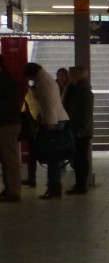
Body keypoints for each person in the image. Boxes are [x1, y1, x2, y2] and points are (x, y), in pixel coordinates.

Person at [24, 62, 69, 199]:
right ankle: (54, 186)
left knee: (52, 156)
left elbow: (49, 103)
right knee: (53, 156)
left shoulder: (44, 82)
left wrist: (50, 122)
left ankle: (54, 187)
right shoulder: (45, 79)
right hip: (56, 119)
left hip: (54, 121)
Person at [63, 66, 94, 195]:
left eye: (71, 74)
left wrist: (82, 129)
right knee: (77, 157)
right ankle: (79, 184)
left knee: (81, 158)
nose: (69, 77)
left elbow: (86, 112)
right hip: (75, 128)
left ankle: (82, 185)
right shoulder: (73, 88)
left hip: (81, 130)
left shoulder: (84, 90)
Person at [0, 64, 22, 202]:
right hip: (9, 122)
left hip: (7, 124)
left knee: (10, 158)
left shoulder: (4, 81)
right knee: (6, 159)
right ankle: (9, 188)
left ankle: (14, 191)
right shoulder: (9, 79)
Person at [20, 86, 40, 189]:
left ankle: (31, 178)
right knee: (33, 152)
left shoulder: (26, 91)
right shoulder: (31, 91)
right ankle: (31, 177)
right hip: (34, 122)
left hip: (31, 124)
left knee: (32, 152)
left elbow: (23, 108)